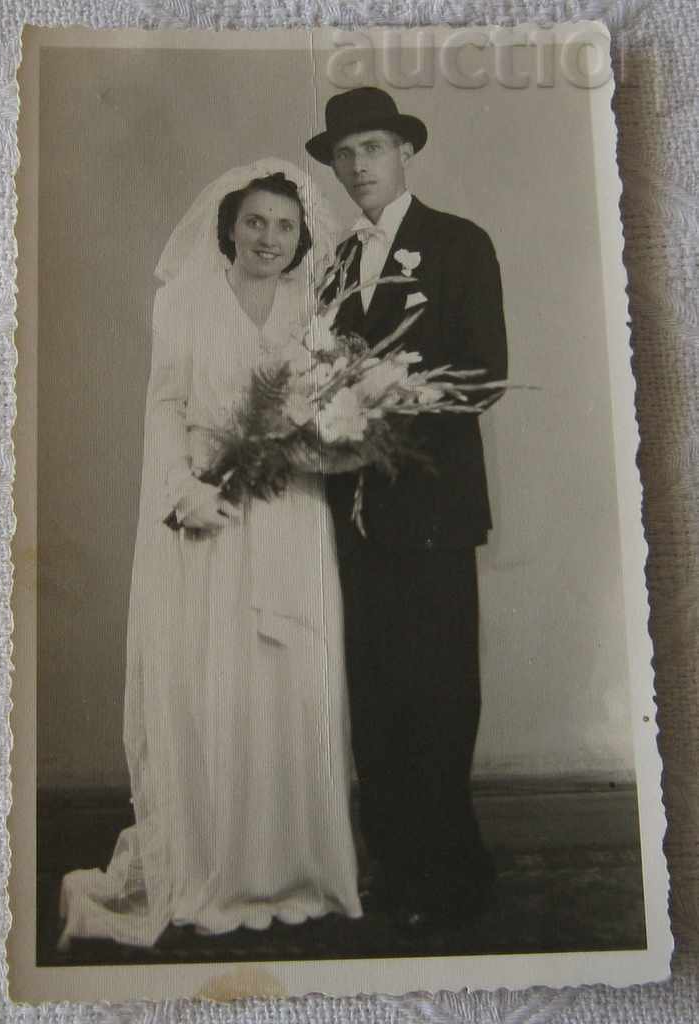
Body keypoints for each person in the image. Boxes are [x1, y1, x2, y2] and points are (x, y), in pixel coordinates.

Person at [58, 160, 362, 949]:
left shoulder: (312, 304)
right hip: (209, 510)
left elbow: (334, 410)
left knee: (289, 683)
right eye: (256, 222)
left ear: (302, 239)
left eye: (284, 227)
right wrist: (180, 488)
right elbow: (165, 405)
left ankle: (299, 871)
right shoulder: (183, 300)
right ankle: (212, 870)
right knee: (212, 684)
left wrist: (317, 447)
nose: (269, 238)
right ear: (229, 224)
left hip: (290, 511)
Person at [306, 88, 508, 931]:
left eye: (374, 148)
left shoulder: (458, 243)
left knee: (440, 690)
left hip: (431, 511)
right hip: (352, 516)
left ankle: (451, 871)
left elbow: (487, 375)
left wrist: (390, 399)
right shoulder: (335, 264)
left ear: (404, 154)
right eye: (346, 153)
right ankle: (394, 866)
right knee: (376, 690)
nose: (359, 166)